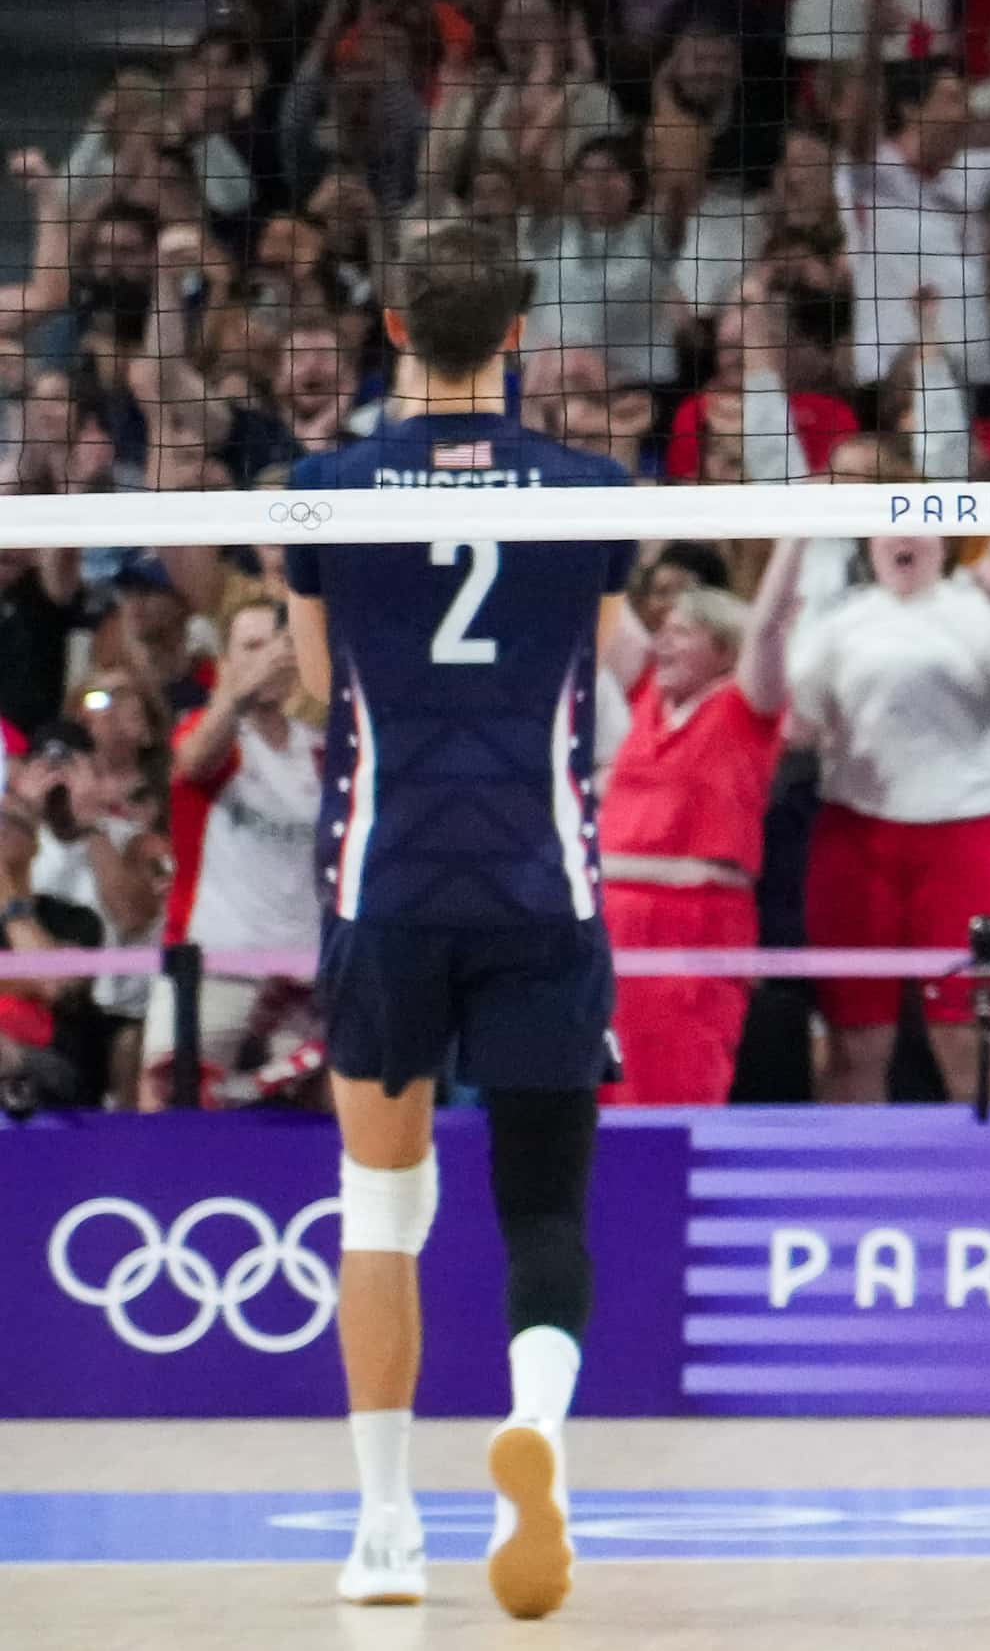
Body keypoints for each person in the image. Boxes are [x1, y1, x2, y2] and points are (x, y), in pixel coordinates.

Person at [282, 223, 642, 1620]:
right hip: (540, 884)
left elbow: (321, 685)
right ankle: (534, 1443)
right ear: (517, 339)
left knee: (382, 1205)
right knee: (544, 1202)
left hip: (387, 884)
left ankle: (382, 1529)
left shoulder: (320, 491)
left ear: (388, 329)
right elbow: (595, 655)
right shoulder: (592, 490)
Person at [789, 537, 990, 1105]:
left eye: (919, 525)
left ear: (942, 544)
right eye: (890, 528)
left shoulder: (977, 611)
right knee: (853, 1046)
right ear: (871, 545)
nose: (905, 540)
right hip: (857, 835)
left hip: (968, 837)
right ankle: (848, 1191)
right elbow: (797, 728)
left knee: (972, 1040)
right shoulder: (837, 618)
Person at [593, 543, 805, 1107]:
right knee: (602, 1100)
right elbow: (604, 610)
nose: (662, 641)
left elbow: (766, 628)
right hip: (609, 925)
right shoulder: (645, 700)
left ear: (722, 647)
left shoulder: (745, 710)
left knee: (677, 1090)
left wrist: (800, 532)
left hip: (695, 925)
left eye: (681, 631)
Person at [143, 594, 324, 1109]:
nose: (269, 659)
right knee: (169, 1112)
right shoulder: (206, 736)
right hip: (210, 969)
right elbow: (193, 763)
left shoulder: (321, 751)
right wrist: (237, 694)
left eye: (279, 647)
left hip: (302, 977)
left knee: (327, 1119)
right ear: (224, 662)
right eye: (251, 647)